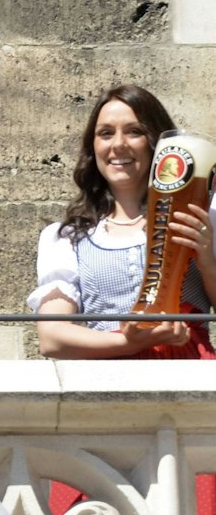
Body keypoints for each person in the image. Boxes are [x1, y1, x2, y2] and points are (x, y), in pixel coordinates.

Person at [29, 85, 215, 359]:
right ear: (93, 147)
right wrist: (127, 343)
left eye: (134, 131)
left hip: (190, 377)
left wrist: (207, 262)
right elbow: (52, 337)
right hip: (110, 383)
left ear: (158, 142)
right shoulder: (67, 237)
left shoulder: (201, 217)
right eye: (106, 133)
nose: (118, 144)